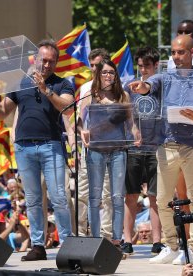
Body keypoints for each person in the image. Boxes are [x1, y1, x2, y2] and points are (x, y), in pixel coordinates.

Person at [0, 39, 74, 261]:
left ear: (56, 63)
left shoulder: (63, 84)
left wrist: (46, 90)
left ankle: (68, 245)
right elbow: (2, 113)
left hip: (50, 145)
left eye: (51, 62)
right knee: (32, 199)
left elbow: (67, 107)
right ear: (36, 59)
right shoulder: (20, 83)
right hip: (24, 146)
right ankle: (38, 246)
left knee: (59, 197)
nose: (46, 65)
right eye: (43, 60)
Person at [130, 35, 193, 265]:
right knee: (163, 199)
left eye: (181, 52)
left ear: (192, 53)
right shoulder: (165, 78)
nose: (177, 56)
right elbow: (150, 85)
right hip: (167, 144)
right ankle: (171, 245)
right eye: (174, 52)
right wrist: (143, 87)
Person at [78, 59, 132, 250]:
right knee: (95, 197)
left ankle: (117, 241)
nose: (108, 76)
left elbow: (130, 123)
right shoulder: (89, 95)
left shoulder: (123, 95)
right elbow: (78, 121)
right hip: (96, 152)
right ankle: (94, 240)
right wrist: (82, 131)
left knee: (117, 197)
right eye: (105, 72)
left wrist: (137, 135)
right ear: (98, 75)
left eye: (112, 72)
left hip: (118, 150)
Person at [122, 46, 164, 256]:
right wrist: (133, 128)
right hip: (134, 147)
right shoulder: (130, 86)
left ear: (156, 65)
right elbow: (126, 113)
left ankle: (157, 241)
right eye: (140, 66)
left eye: (147, 66)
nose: (143, 70)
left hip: (156, 147)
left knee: (155, 196)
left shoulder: (161, 84)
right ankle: (127, 241)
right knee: (131, 195)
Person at [75, 48, 112, 238]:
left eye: (98, 65)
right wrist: (82, 133)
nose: (94, 69)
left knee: (106, 195)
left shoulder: (116, 88)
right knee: (82, 193)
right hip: (89, 149)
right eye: (91, 66)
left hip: (109, 149)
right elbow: (80, 121)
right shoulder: (85, 88)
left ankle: (106, 237)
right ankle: (81, 235)